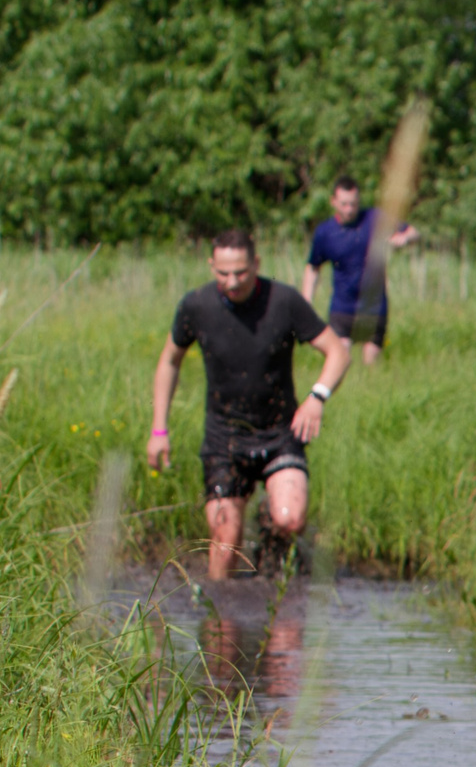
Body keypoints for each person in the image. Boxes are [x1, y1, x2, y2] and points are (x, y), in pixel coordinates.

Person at [149, 230, 350, 581]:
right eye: (223, 273)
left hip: (280, 432)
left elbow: (338, 351)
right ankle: (217, 623)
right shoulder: (196, 306)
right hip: (224, 437)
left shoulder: (284, 302)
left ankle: (271, 565)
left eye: (241, 272)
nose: (232, 282)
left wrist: (318, 397)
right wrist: (159, 430)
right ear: (211, 266)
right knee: (226, 541)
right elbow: (169, 362)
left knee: (289, 518)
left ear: (256, 264)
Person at [303, 177, 419, 365]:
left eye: (354, 204)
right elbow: (313, 268)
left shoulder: (374, 219)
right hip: (342, 307)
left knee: (371, 364)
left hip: (374, 306)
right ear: (333, 202)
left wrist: (405, 238)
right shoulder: (325, 233)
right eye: (344, 204)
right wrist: (306, 301)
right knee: (340, 362)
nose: (350, 209)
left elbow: (413, 232)